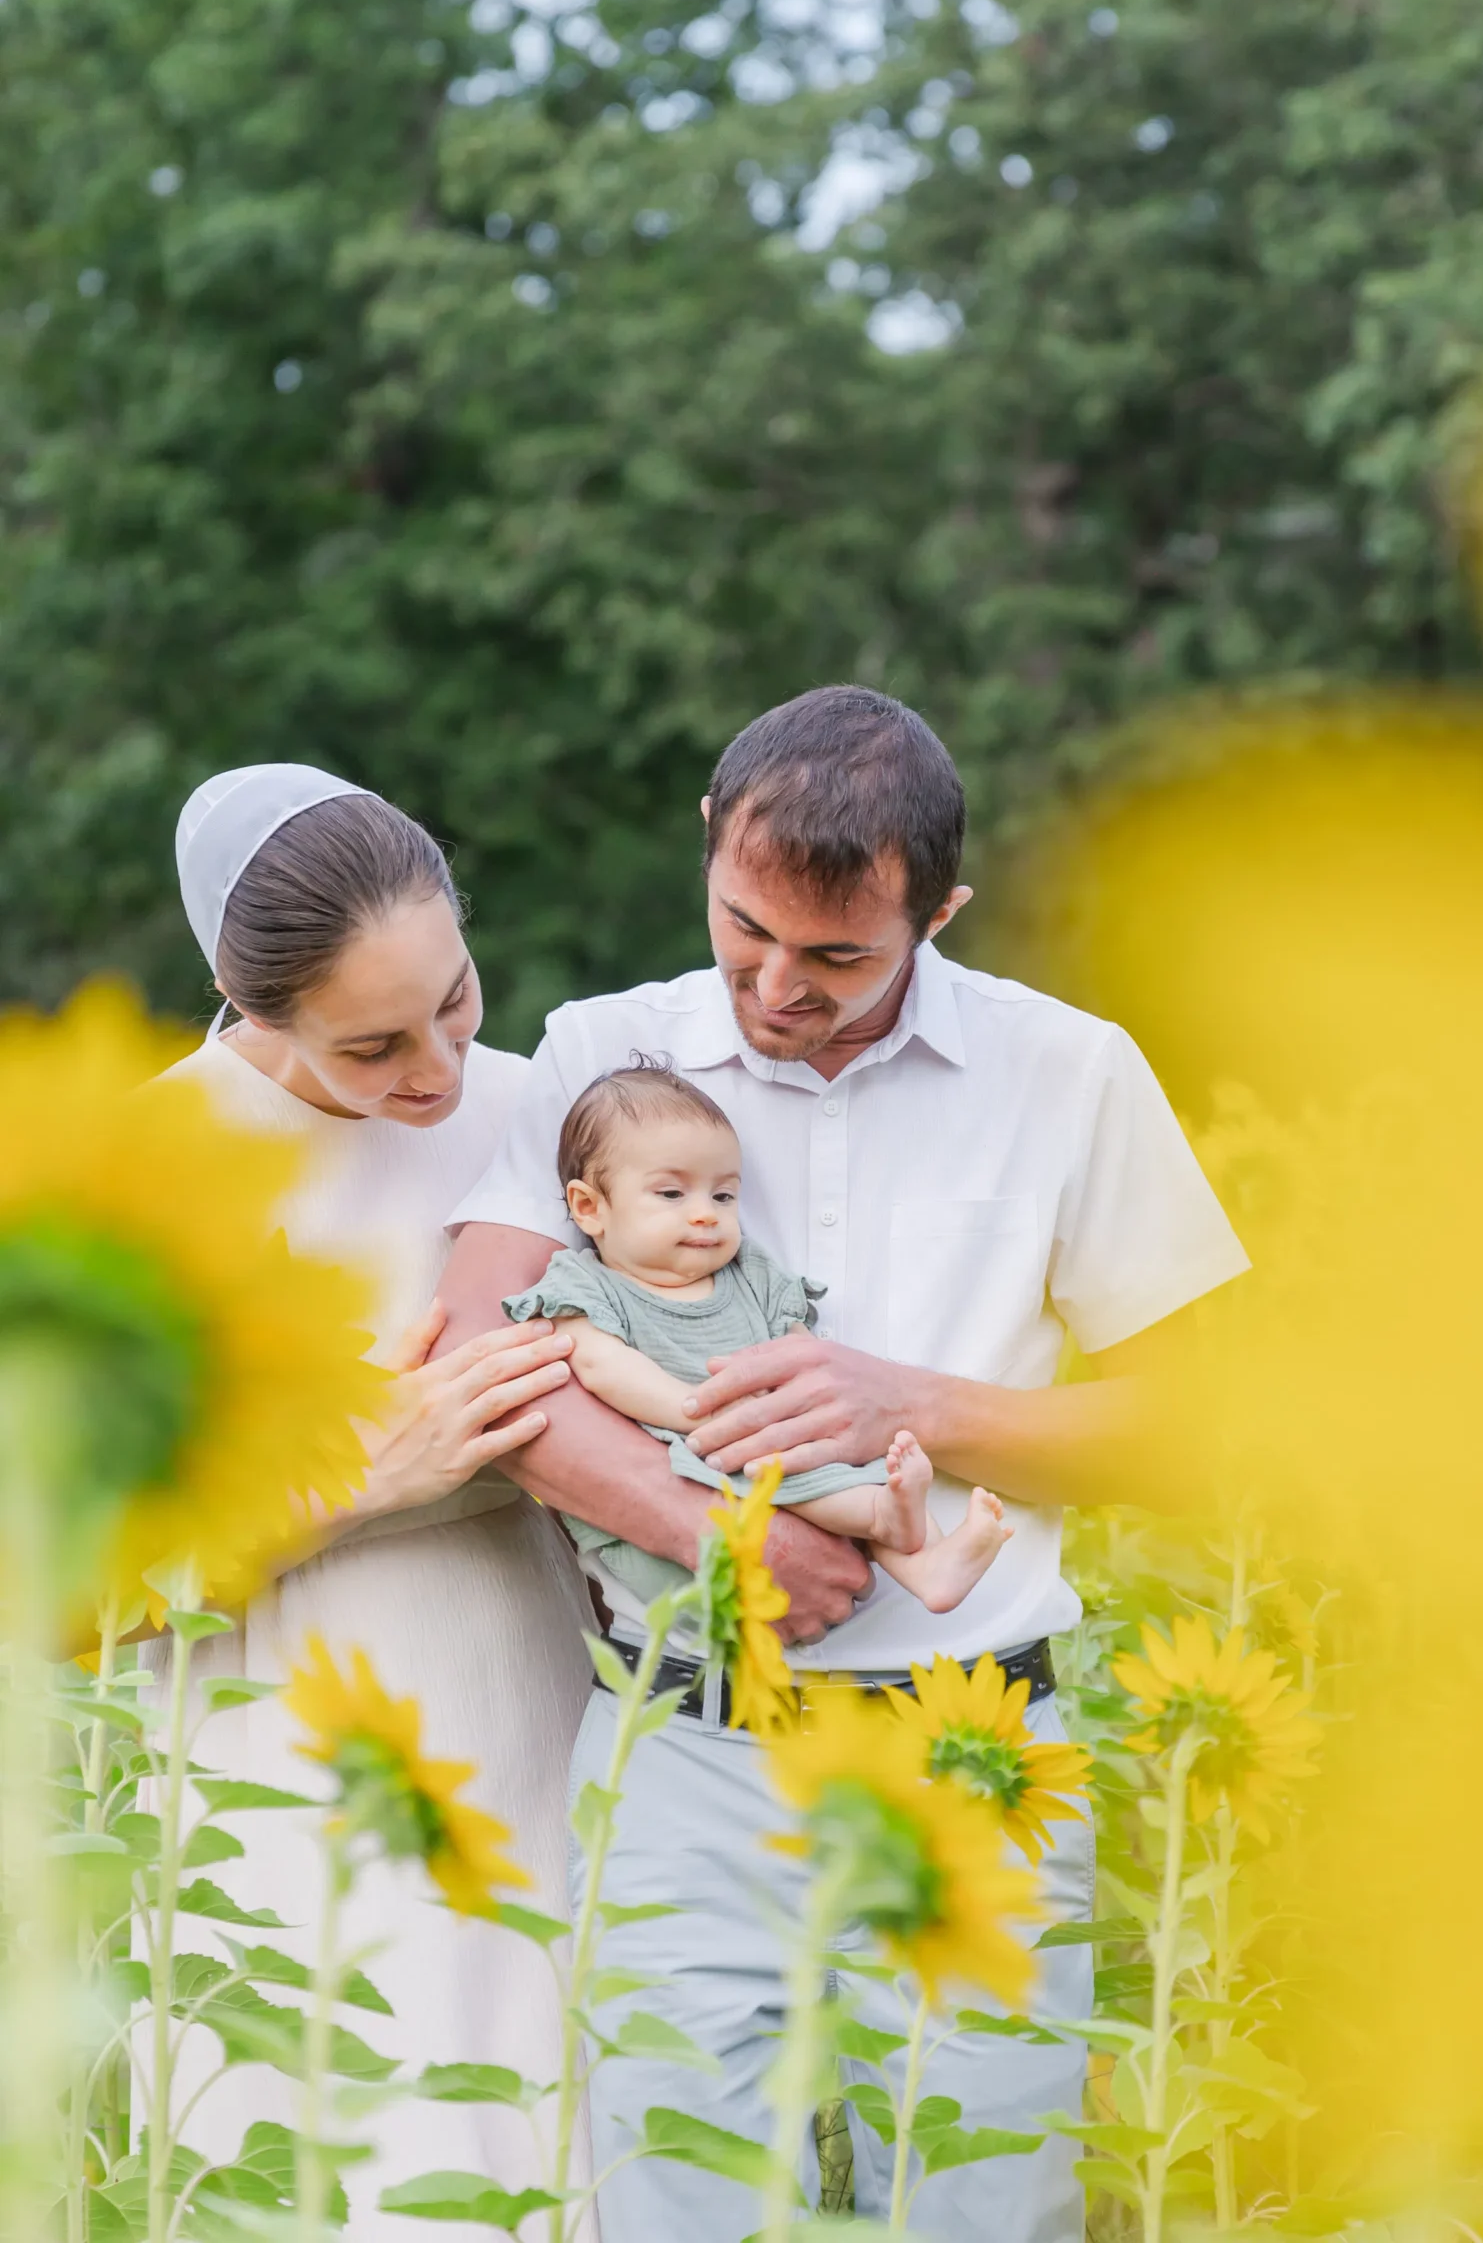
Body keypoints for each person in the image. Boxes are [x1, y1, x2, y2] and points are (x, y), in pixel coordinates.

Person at [435, 686, 1250, 2243]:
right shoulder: (601, 1053)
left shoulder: (1068, 1073)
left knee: (977, 2217)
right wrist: (710, 1537)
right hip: (684, 1748)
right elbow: (486, 1364)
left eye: (836, 956)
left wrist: (915, 1404)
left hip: (971, 1763)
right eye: (744, 928)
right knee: (676, 2211)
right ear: (710, 846)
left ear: (936, 911)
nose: (774, 985)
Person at [161, 764, 598, 2238]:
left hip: (537, 1710)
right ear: (249, 1002)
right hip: (276, 1758)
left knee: (546, 2141)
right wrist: (357, 1480)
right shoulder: (155, 1172)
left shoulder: (551, 1116)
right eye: (374, 1045)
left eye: (458, 1001)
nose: (440, 1072)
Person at [502, 1057, 1011, 1612]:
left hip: (768, 1445)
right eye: (672, 1195)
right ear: (589, 1207)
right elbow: (603, 1365)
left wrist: (808, 1411)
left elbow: (800, 1349)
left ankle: (931, 1567)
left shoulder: (748, 1270)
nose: (705, 1214)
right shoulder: (584, 1283)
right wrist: (702, 1412)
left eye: (723, 1196)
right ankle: (883, 1517)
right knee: (785, 1471)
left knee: (851, 1463)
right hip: (691, 1470)